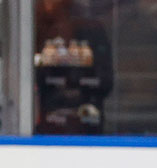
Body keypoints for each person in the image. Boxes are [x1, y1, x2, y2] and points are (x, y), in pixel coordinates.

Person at [34, 0, 113, 134]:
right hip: (47, 129)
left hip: (88, 128)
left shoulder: (92, 32)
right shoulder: (37, 33)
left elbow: (105, 82)